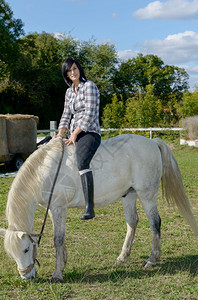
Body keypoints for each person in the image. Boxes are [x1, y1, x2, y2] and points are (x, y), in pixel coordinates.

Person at [55, 57, 101, 220]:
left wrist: (74, 134)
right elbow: (66, 115)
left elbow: (90, 114)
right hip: (73, 132)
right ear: (66, 75)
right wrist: (60, 134)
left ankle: (89, 206)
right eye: (69, 71)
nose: (72, 72)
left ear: (79, 69)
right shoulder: (69, 92)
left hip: (89, 132)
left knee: (82, 162)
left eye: (74, 68)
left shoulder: (89, 86)